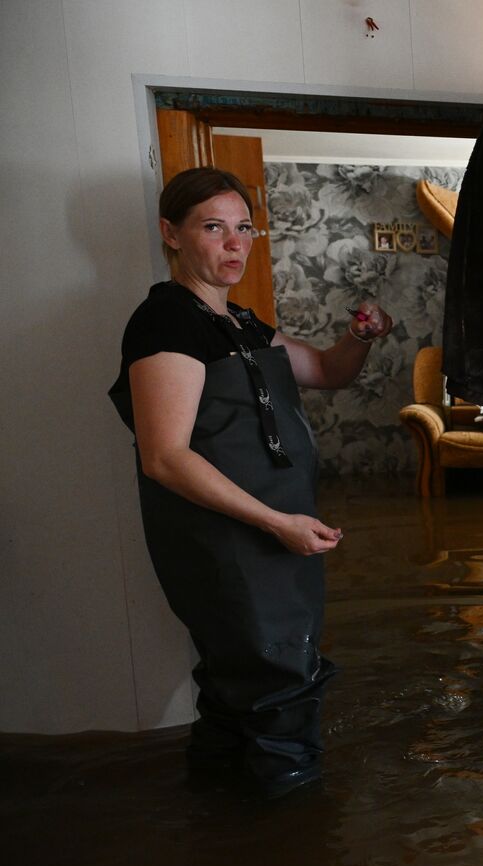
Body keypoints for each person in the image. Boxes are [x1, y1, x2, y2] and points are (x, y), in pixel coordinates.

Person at [107, 167, 394, 798]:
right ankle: (292, 858)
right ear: (172, 234)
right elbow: (164, 457)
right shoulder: (163, 323)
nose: (236, 244)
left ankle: (223, 845)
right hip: (231, 540)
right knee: (277, 685)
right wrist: (274, 521)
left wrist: (358, 337)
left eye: (245, 228)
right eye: (214, 228)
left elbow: (327, 370)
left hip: (274, 534)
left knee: (242, 688)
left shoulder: (240, 323)